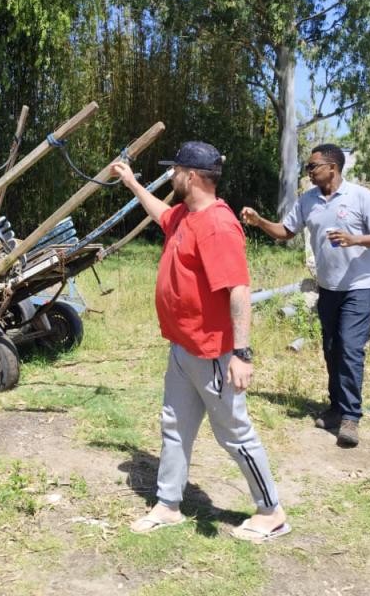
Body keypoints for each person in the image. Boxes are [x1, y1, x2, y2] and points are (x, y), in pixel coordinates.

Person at [110, 141, 289, 542]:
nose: (171, 176)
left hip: (212, 353)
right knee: (174, 427)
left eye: (174, 171)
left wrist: (241, 354)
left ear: (190, 176)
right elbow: (160, 214)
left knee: (235, 435)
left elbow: (239, 290)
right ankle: (168, 504)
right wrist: (131, 183)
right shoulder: (185, 216)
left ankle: (272, 511)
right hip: (183, 349)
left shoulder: (217, 225)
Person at [240, 144, 370, 448]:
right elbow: (286, 231)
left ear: (332, 167)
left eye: (312, 166)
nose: (308, 172)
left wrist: (355, 239)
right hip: (328, 288)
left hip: (359, 286)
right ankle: (336, 407)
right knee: (332, 348)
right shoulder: (308, 200)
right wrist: (259, 222)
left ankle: (351, 416)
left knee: (350, 348)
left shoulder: (359, 196)